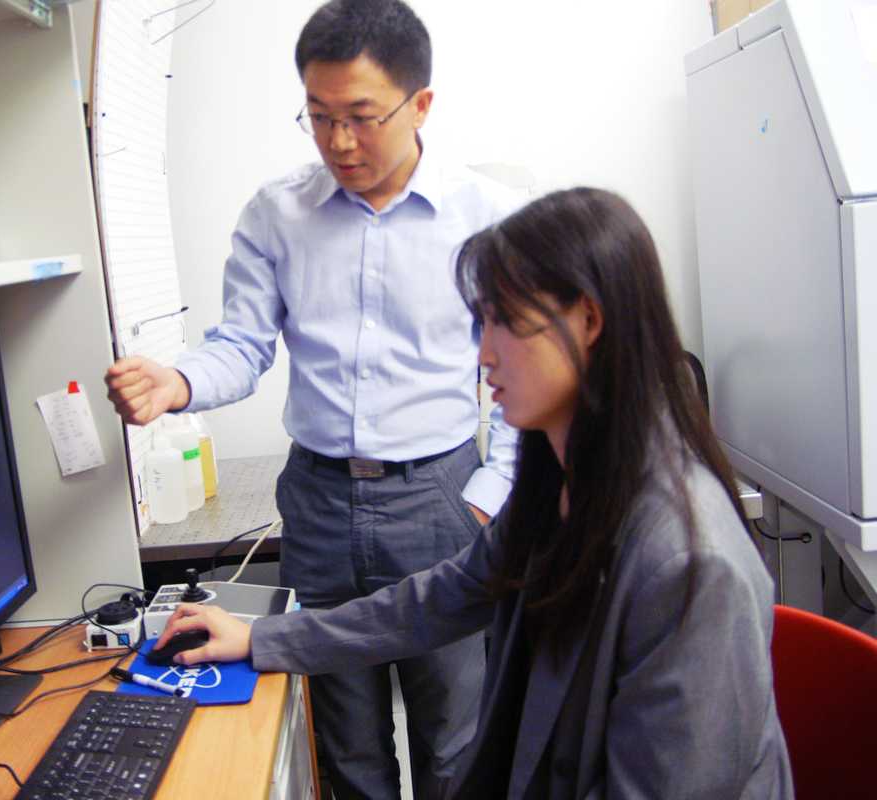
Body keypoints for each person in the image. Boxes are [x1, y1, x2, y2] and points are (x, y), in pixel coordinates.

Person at [154, 188, 794, 799]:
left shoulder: (688, 563)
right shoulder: (565, 488)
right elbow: (436, 599)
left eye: (503, 322)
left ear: (589, 320)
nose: (482, 353)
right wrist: (263, 640)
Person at [105, 2, 520, 796]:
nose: (338, 142)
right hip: (321, 503)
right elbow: (242, 346)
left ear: (420, 104)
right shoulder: (278, 212)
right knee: (346, 747)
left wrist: (486, 497)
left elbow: (521, 379)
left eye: (361, 117)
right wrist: (179, 383)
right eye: (319, 116)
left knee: (454, 744)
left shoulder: (487, 219)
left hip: (440, 497)